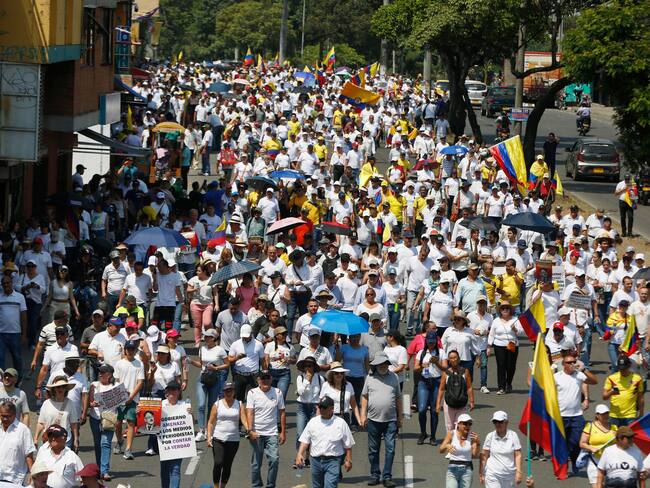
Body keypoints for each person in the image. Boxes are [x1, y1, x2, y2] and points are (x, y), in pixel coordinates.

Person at [360, 352, 402, 487]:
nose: (383, 366)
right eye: (380, 364)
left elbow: (398, 398)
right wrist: (362, 414)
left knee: (390, 449)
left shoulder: (394, 377)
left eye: (385, 363)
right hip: (373, 419)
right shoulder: (370, 378)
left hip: (390, 420)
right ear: (376, 365)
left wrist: (400, 417)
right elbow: (365, 397)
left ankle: (387, 476)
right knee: (373, 449)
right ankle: (375, 475)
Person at [295, 396, 355, 488]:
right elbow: (305, 440)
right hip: (316, 461)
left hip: (333, 461)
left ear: (332, 408)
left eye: (324, 407)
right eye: (320, 407)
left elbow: (348, 444)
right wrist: (299, 454)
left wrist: (348, 460)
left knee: (330, 486)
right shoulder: (313, 422)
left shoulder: (340, 423)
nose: (321, 409)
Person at [555, 352, 599, 472]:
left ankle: (574, 462)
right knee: (562, 443)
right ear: (564, 364)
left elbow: (595, 381)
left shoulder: (579, 375)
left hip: (576, 415)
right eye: (569, 362)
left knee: (576, 442)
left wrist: (584, 370)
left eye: (574, 362)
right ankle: (563, 467)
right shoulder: (557, 377)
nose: (572, 364)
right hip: (561, 415)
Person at [246, 369, 286, 488]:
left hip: (272, 432)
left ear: (271, 379)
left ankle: (270, 485)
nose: (265, 380)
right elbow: (249, 413)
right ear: (258, 380)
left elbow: (282, 412)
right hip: (256, 433)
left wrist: (283, 432)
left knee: (274, 460)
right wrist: (250, 430)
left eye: (267, 378)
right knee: (256, 464)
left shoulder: (277, 392)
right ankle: (256, 485)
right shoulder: (252, 393)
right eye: (263, 378)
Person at [207, 381, 249, 488]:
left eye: (230, 390)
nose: (228, 393)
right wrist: (209, 437)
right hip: (218, 438)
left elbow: (243, 419)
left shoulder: (239, 404)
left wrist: (249, 429)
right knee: (218, 462)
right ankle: (216, 486)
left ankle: (222, 486)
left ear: (234, 391)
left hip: (233, 440)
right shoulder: (217, 404)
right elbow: (211, 422)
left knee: (227, 465)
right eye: (226, 391)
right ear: (223, 392)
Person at [190, 328, 229, 442]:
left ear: (213, 338)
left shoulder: (220, 350)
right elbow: (202, 365)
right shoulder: (202, 349)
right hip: (202, 378)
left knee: (212, 405)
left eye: (208, 337)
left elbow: (227, 364)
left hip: (215, 379)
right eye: (205, 337)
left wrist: (216, 368)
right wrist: (192, 362)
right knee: (201, 405)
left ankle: (209, 429)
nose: (205, 338)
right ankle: (201, 430)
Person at [113, 340, 145, 460]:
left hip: (133, 398)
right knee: (117, 423)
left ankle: (128, 449)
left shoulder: (139, 364)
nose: (130, 351)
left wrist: (131, 396)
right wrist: (121, 394)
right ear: (125, 350)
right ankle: (120, 440)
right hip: (120, 398)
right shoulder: (119, 364)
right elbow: (116, 381)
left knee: (131, 422)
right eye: (129, 349)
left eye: (133, 349)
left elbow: (140, 382)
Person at [414, 330, 444, 445]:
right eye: (429, 342)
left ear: (436, 341)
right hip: (424, 382)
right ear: (426, 341)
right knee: (421, 409)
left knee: (434, 411)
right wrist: (422, 365)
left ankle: (433, 436)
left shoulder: (441, 352)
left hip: (436, 382)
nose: (431, 344)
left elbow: (445, 368)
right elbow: (415, 368)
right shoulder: (421, 352)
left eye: (433, 342)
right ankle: (423, 433)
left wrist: (437, 363)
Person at [159, 381, 191, 488]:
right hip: (164, 442)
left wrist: (190, 414)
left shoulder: (184, 405)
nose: (172, 392)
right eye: (170, 389)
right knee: (164, 470)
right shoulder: (161, 404)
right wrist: (140, 411)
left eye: (174, 389)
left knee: (175, 470)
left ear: (179, 391)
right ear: (166, 391)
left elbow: (188, 423)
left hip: (178, 442)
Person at [87, 363, 116, 481]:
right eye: (99, 372)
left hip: (108, 418)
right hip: (95, 418)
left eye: (102, 372)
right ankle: (99, 468)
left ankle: (104, 471)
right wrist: (92, 404)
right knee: (98, 444)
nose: (100, 374)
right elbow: (90, 401)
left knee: (106, 443)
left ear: (109, 375)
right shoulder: (94, 385)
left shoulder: (115, 387)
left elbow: (122, 400)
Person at [487, 301, 524, 394]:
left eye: (507, 308)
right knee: (501, 366)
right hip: (499, 345)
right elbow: (491, 334)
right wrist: (488, 346)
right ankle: (501, 387)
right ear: (500, 310)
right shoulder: (496, 321)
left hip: (512, 344)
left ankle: (509, 383)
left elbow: (521, 332)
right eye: (503, 308)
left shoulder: (515, 319)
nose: (505, 310)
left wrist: (515, 329)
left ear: (510, 310)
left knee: (511, 366)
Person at [34, 376, 79, 450]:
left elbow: (74, 423)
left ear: (66, 389)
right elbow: (41, 423)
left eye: (63, 386)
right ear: (54, 389)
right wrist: (35, 438)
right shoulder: (46, 403)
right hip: (48, 441)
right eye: (58, 387)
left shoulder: (70, 404)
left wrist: (76, 439)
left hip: (65, 441)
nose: (60, 389)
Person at [479, 411, 522, 488]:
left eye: (500, 422)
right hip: (492, 473)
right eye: (495, 422)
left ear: (506, 422)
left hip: (509, 475)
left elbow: (518, 455)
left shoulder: (513, 435)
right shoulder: (490, 436)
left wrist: (519, 472)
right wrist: (481, 472)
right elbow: (484, 455)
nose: (497, 424)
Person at [579, 404, 618, 488]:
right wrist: (591, 447)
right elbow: (582, 443)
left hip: (610, 462)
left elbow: (620, 444)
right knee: (597, 486)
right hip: (595, 461)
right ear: (597, 415)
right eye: (603, 414)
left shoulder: (614, 427)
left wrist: (618, 437)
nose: (605, 415)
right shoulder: (590, 426)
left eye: (607, 413)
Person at [439, 413, 480, 488]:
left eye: (469, 424)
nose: (467, 426)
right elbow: (441, 450)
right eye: (465, 424)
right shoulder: (451, 433)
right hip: (452, 470)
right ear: (458, 424)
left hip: (467, 471)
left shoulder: (472, 436)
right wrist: (447, 446)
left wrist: (478, 443)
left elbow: (474, 455)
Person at [437, 350, 474, 431]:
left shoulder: (465, 371)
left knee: (461, 426)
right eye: (451, 358)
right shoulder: (445, 373)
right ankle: (451, 443)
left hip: (462, 404)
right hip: (449, 404)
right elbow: (441, 389)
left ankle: (460, 443)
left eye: (455, 357)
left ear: (459, 359)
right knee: (450, 427)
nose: (453, 360)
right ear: (449, 360)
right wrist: (438, 404)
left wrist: (472, 401)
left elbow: (469, 387)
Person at [0, 399, 35, 485]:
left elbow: (29, 454)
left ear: (14, 415)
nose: (4, 419)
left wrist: (33, 473)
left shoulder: (23, 430)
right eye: (2, 415)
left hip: (14, 478)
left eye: (8, 416)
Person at [603, 355, 644, 427]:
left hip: (630, 415)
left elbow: (640, 398)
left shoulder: (637, 379)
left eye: (624, 369)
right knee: (614, 437)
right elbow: (604, 397)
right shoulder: (611, 378)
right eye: (620, 369)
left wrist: (641, 413)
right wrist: (611, 392)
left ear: (629, 366)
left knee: (629, 437)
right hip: (614, 415)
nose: (622, 371)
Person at [263, 326, 295, 405]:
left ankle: (279, 416)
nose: (285, 336)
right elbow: (266, 359)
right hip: (271, 373)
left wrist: (291, 360)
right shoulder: (270, 345)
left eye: (286, 334)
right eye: (283, 334)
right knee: (270, 396)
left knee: (281, 396)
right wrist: (266, 371)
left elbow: (295, 360)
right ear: (277, 335)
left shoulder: (290, 347)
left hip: (284, 374)